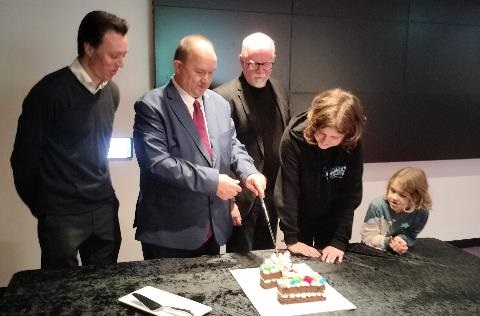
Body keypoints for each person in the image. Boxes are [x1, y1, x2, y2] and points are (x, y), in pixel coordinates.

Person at [10, 11, 129, 269]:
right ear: (88, 47)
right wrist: (46, 209)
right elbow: (23, 161)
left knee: (104, 287)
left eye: (124, 55)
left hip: (104, 208)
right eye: (113, 55)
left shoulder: (112, 91)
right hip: (61, 215)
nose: (120, 63)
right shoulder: (48, 93)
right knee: (60, 292)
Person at [133, 34, 266, 259]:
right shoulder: (152, 106)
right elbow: (157, 163)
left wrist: (249, 172)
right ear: (178, 66)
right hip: (169, 232)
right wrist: (213, 182)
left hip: (212, 229)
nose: (206, 80)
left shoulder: (219, 104)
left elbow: (232, 145)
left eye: (211, 72)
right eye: (199, 72)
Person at [214, 32, 290, 252]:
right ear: (241, 61)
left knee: (267, 259)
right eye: (254, 64)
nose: (261, 71)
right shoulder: (222, 97)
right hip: (241, 199)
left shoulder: (279, 90)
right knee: (240, 263)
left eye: (267, 64)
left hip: (271, 194)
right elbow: (220, 155)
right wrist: (229, 204)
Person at [275, 88, 365, 263]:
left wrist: (339, 240)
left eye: (334, 137)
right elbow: (288, 189)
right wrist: (292, 238)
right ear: (313, 124)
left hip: (333, 218)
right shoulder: (293, 139)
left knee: (331, 271)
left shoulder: (353, 143)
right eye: (321, 133)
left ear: (347, 136)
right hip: (300, 216)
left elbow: (350, 194)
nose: (324, 141)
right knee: (300, 270)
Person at [361, 167, 432, 255]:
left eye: (402, 195)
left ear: (416, 198)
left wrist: (401, 240)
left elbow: (411, 234)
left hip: (398, 255)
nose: (394, 197)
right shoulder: (377, 206)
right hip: (373, 252)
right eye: (393, 190)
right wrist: (388, 243)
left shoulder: (422, 213)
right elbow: (368, 237)